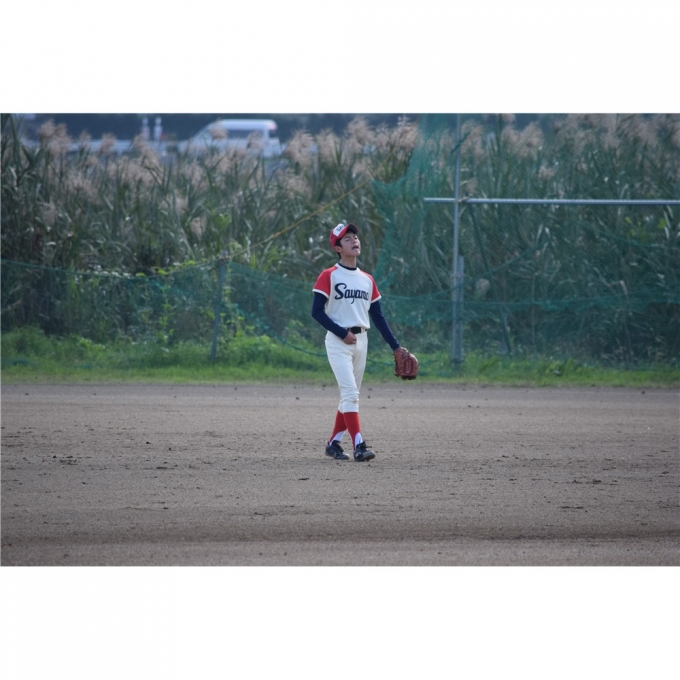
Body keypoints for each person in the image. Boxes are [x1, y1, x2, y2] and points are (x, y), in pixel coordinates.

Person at [311, 222, 403, 462]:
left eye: (355, 237)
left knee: (348, 397)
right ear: (338, 248)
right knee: (351, 394)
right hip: (338, 341)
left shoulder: (367, 279)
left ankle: (333, 443)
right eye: (347, 238)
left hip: (362, 341)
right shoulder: (329, 276)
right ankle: (359, 446)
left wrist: (396, 347)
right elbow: (316, 312)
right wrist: (341, 332)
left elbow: (378, 317)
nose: (354, 240)